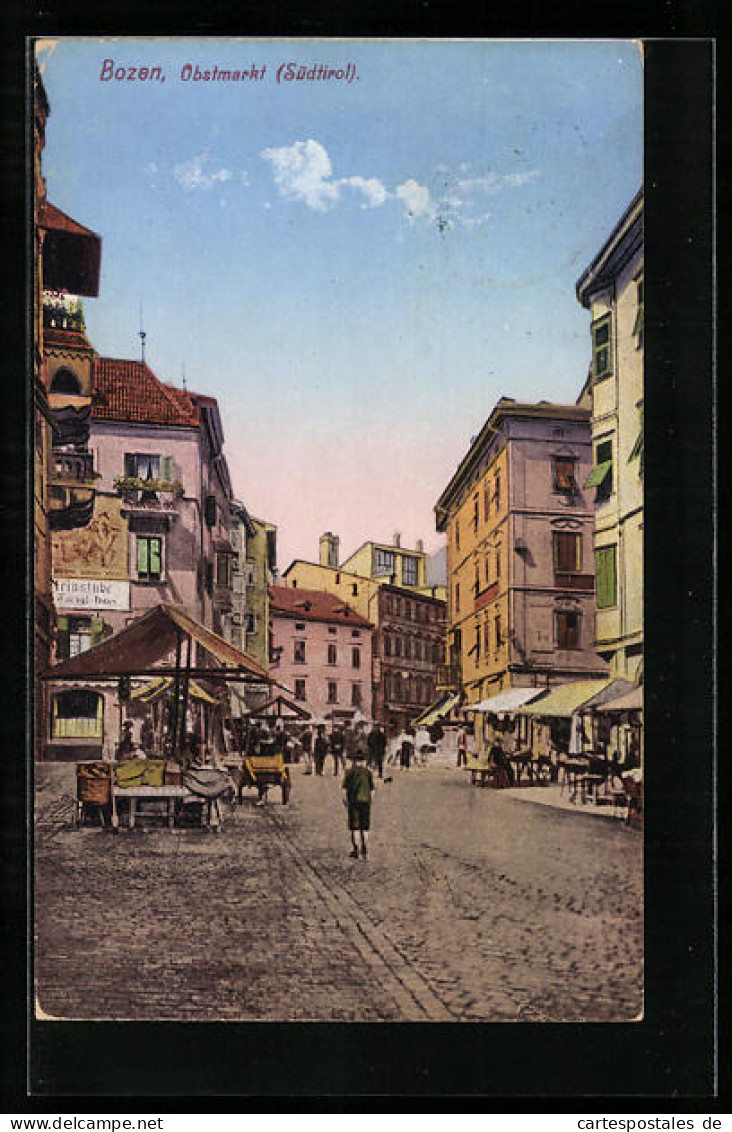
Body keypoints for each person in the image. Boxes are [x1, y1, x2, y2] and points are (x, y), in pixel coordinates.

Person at [342, 750, 376, 859]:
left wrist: (345, 801)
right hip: (365, 802)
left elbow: (344, 789)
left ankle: (356, 849)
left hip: (353, 802)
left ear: (354, 761)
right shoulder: (368, 772)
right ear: (364, 761)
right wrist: (370, 800)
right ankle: (365, 847)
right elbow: (372, 790)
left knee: (355, 827)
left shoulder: (350, 772)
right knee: (365, 827)